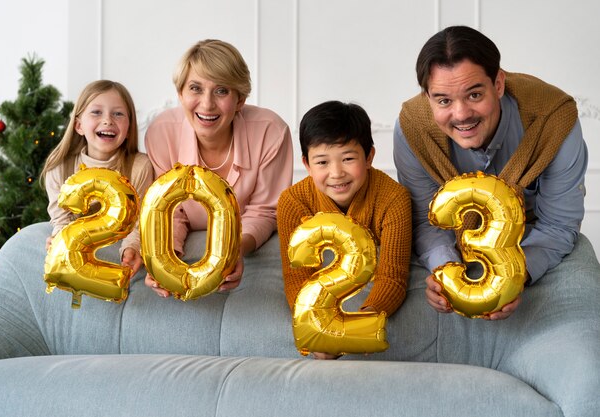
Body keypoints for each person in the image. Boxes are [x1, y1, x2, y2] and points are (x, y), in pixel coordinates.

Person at [393, 25, 588, 320]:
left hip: (534, 245)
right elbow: (425, 220)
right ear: (428, 97)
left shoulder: (554, 120)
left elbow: (559, 225)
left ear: (498, 84)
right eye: (443, 100)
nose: (460, 115)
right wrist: (445, 269)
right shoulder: (412, 129)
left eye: (474, 95)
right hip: (452, 249)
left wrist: (514, 277)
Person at [144, 39, 293, 296]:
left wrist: (233, 251)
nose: (207, 104)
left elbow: (264, 212)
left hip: (248, 248)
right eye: (195, 88)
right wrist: (163, 259)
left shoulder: (271, 131)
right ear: (180, 94)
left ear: (240, 99)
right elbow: (170, 211)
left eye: (222, 91)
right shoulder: (161, 132)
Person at [277, 100, 412, 359]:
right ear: (306, 164)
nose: (336, 173)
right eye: (322, 162)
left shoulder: (394, 198)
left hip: (364, 309)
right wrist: (316, 327)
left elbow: (392, 276)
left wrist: (355, 330)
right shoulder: (293, 202)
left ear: (369, 156)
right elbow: (296, 278)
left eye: (348, 159)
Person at [41, 80, 155, 277]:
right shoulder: (59, 166)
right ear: (78, 125)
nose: (108, 120)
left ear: (129, 127)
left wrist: (132, 248)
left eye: (118, 114)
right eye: (96, 112)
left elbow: (139, 222)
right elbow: (61, 219)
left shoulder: (139, 166)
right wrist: (60, 237)